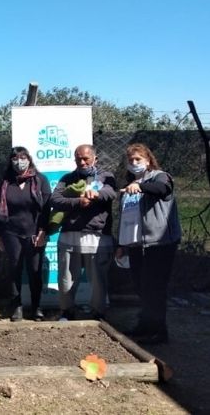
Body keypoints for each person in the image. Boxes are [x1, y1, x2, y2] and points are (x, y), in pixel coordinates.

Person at [117, 143, 181, 344]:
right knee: (141, 287)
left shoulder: (159, 177)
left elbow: (163, 189)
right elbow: (127, 218)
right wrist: (122, 245)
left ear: (148, 160)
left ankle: (158, 331)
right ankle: (145, 325)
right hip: (136, 244)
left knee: (154, 288)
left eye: (138, 159)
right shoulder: (129, 185)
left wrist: (142, 186)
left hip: (159, 243)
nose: (134, 163)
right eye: (131, 160)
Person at [51, 144, 116, 321]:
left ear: (95, 159)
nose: (82, 161)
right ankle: (67, 311)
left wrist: (96, 194)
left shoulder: (106, 177)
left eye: (86, 158)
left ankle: (98, 312)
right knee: (66, 278)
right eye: (78, 158)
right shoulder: (68, 178)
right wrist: (78, 202)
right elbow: (55, 199)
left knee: (98, 280)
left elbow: (110, 193)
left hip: (97, 236)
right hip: (69, 235)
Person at [0, 147, 52, 321]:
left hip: (35, 232)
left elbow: (46, 209)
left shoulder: (40, 180)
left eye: (22, 157)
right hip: (11, 233)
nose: (18, 161)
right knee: (15, 269)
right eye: (15, 158)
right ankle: (17, 307)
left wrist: (43, 231)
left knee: (35, 271)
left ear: (29, 159)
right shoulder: (4, 182)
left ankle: (36, 307)